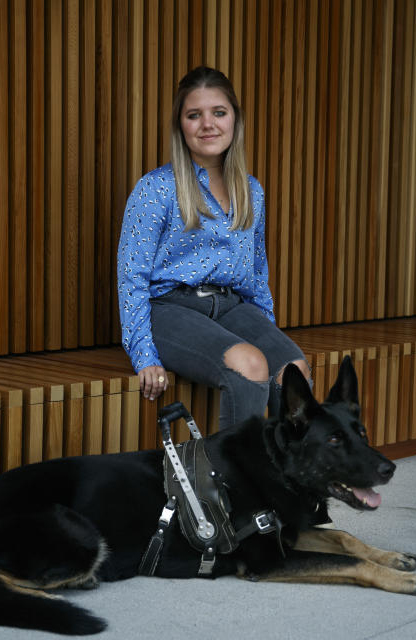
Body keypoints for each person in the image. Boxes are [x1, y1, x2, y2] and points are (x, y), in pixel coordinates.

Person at [117, 66, 311, 429]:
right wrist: (144, 356)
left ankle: (289, 478)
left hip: (231, 306)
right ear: (181, 126)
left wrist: (267, 334)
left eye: (218, 112)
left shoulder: (251, 190)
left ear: (235, 119)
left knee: (294, 371)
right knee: (250, 364)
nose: (208, 124)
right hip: (170, 309)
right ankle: (229, 481)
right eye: (194, 115)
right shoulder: (155, 188)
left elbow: (256, 273)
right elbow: (132, 276)